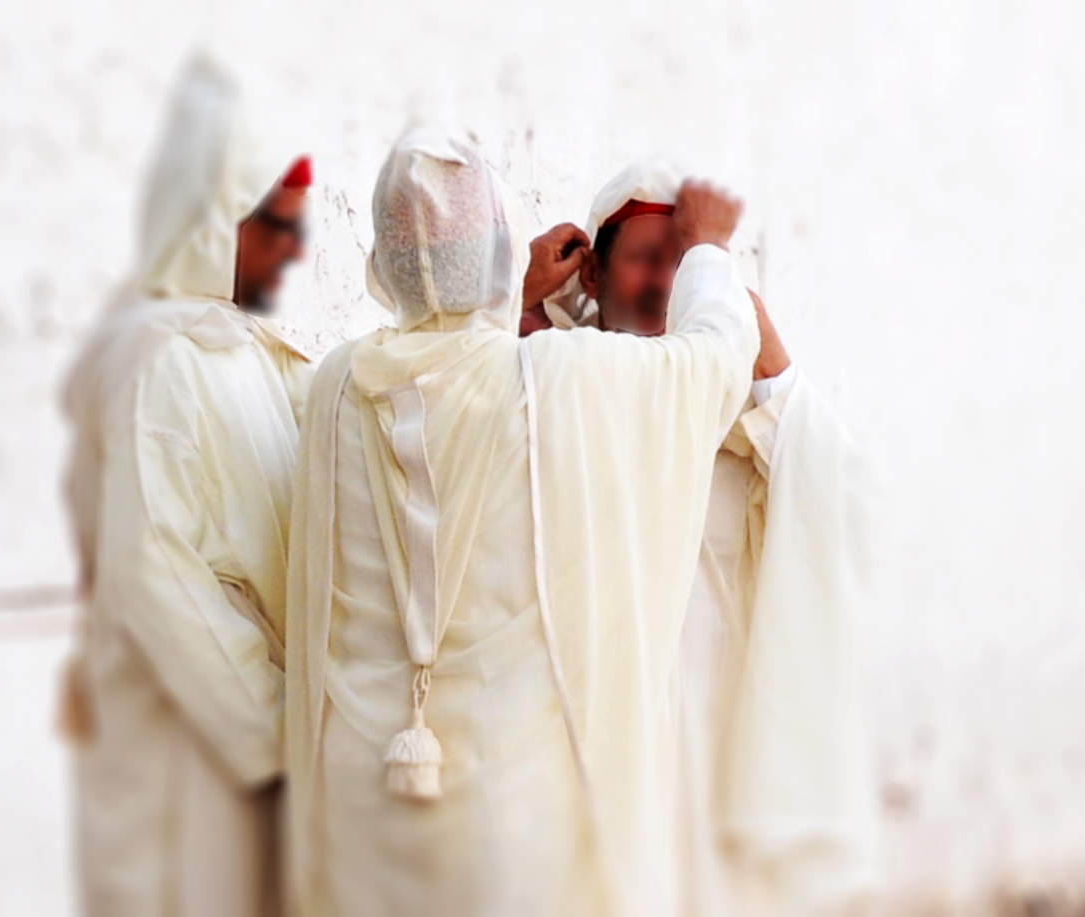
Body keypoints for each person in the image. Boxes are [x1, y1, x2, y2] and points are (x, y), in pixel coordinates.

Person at [280, 125, 759, 916]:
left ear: (383, 268)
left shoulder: (336, 386)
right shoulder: (555, 379)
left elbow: (440, 365)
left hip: (362, 805)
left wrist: (505, 298)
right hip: (506, 824)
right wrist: (707, 250)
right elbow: (710, 363)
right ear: (504, 255)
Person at [522, 158, 878, 915]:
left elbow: (842, 495)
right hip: (584, 734)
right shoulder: (553, 380)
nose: (663, 282)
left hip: (705, 739)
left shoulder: (736, 397)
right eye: (645, 259)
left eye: (681, 264)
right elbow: (467, 411)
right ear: (595, 274)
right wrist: (515, 303)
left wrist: (773, 366)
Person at [59, 56, 312, 917]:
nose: (294, 250)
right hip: (191, 760)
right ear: (214, 221)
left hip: (244, 763)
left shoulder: (230, 347)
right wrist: (279, 728)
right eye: (276, 226)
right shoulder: (158, 361)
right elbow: (153, 570)